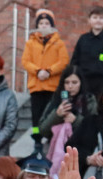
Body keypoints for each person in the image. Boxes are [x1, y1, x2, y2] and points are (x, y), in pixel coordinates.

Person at [23, 9, 69, 150]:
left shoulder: (58, 43)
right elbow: (25, 61)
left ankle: (49, 136)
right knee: (36, 116)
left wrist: (49, 71)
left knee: (50, 114)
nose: (44, 25)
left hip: (52, 86)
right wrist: (37, 71)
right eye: (41, 23)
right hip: (36, 86)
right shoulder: (30, 43)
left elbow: (63, 61)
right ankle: (37, 139)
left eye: (47, 23)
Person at [69, 5, 103, 96]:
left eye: (101, 18)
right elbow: (74, 62)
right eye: (95, 17)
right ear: (89, 20)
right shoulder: (83, 39)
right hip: (84, 83)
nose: (98, 20)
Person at [37, 67, 98, 141]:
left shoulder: (89, 100)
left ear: (81, 83)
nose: (70, 86)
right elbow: (42, 130)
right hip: (58, 147)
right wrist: (57, 115)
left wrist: (76, 120)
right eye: (67, 82)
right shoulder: (56, 99)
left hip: (82, 147)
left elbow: (94, 129)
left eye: (74, 82)